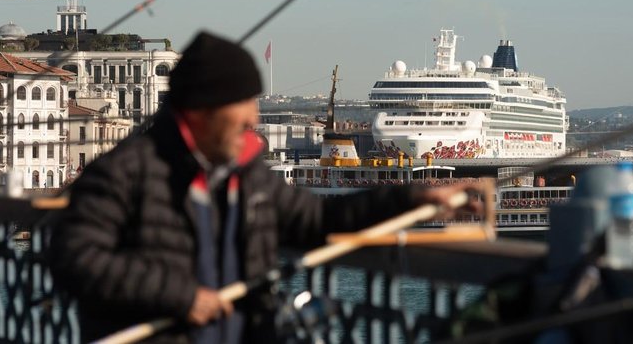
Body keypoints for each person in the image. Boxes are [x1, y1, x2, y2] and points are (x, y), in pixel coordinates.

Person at [49, 31, 479, 343]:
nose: (254, 118)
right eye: (244, 104)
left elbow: (318, 219)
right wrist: (180, 297)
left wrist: (412, 198)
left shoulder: (245, 176)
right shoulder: (123, 172)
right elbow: (74, 258)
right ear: (203, 109)